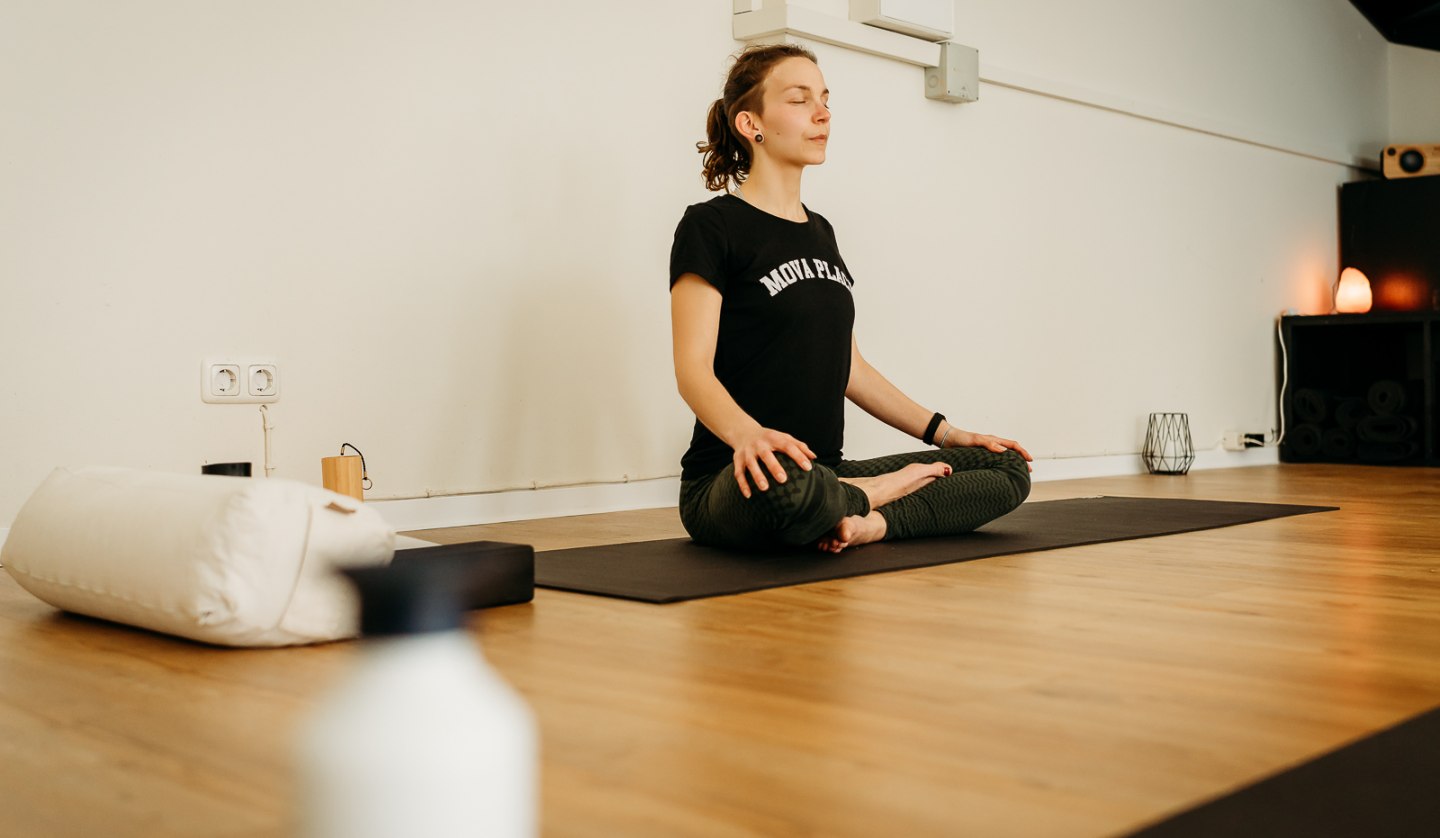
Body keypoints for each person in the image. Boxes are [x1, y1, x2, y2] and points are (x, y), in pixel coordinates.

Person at [669, 43, 1032, 554]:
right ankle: (871, 495)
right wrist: (751, 437)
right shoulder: (710, 226)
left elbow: (850, 368)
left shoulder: (821, 233)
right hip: (734, 478)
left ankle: (864, 521)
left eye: (824, 99)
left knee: (1006, 468)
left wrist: (947, 434)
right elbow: (692, 371)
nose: (822, 114)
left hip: (825, 470)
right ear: (751, 124)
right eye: (799, 100)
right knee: (789, 487)